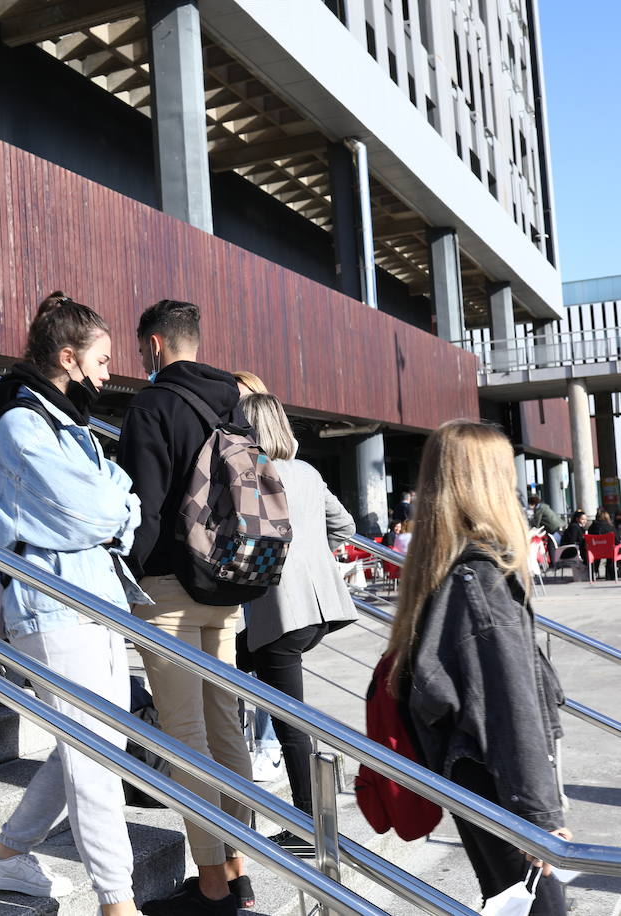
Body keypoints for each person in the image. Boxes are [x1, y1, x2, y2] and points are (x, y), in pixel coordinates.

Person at [0, 293, 144, 916]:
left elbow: (123, 504)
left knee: (101, 745)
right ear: (67, 358)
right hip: (51, 607)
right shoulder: (24, 423)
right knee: (94, 755)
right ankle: (117, 903)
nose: (107, 372)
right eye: (100, 359)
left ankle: (7, 856)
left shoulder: (70, 427)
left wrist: (109, 513)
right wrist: (110, 513)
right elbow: (97, 509)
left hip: (92, 598)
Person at [385, 420, 569, 914]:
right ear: (488, 486)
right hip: (501, 790)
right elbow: (512, 711)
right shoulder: (480, 585)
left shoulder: (444, 576)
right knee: (542, 907)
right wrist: (539, 816)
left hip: (477, 784)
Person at [119, 299, 252, 915]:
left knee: (186, 738)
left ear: (153, 345)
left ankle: (212, 888)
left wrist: (130, 568)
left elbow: (142, 504)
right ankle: (240, 866)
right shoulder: (237, 401)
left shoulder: (152, 406)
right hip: (227, 585)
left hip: (170, 589)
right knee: (226, 726)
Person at [233, 394, 358, 847]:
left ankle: (311, 828)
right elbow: (344, 526)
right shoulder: (308, 472)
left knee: (289, 724)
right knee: (232, 673)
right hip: (318, 608)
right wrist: (313, 551)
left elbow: (243, 543)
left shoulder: (254, 474)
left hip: (281, 612)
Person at [587, 509, 617, 578]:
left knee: (599, 549)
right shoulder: (610, 527)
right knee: (613, 549)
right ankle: (610, 574)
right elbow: (617, 540)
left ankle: (594, 572)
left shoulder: (591, 528)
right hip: (609, 552)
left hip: (594, 552)